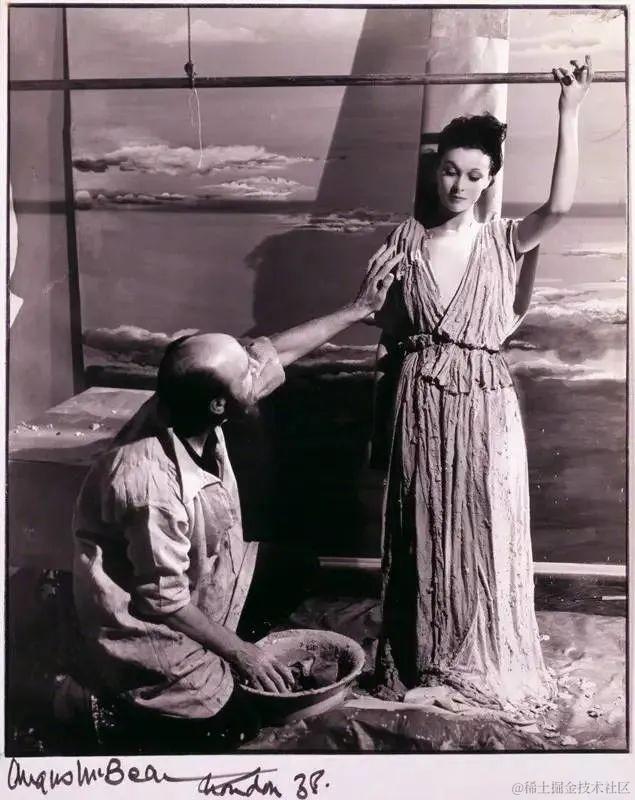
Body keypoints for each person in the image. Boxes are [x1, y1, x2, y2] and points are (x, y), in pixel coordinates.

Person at [72, 248, 399, 753]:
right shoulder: (148, 484)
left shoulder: (189, 397)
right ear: (220, 405)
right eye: (246, 373)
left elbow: (275, 353)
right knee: (233, 726)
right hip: (147, 624)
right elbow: (161, 601)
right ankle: (100, 702)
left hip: (205, 578)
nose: (257, 371)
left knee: (297, 566)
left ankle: (226, 643)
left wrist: (358, 309)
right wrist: (245, 655)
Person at [368, 57, 593, 713]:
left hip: (483, 399)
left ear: (490, 179)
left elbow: (559, 205)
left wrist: (569, 112)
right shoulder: (407, 239)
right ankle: (425, 658)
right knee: (420, 525)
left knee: (482, 526)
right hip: (418, 394)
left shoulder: (504, 239)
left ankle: (476, 656)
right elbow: (385, 325)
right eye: (449, 170)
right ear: (434, 170)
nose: (458, 184)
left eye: (473, 174)